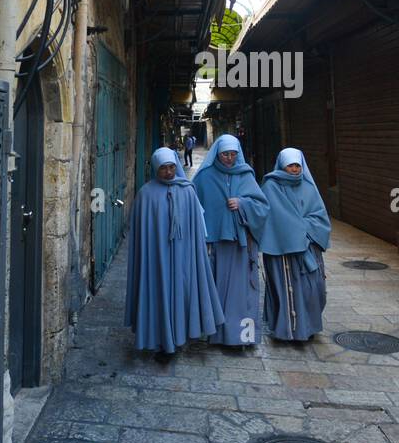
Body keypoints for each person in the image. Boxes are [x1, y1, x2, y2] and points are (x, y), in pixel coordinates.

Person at [124, 147, 224, 362]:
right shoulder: (146, 194)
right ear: (155, 169)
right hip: (156, 259)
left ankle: (181, 335)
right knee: (158, 292)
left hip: (183, 255)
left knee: (183, 291)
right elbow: (140, 232)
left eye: (171, 167)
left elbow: (196, 228)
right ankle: (161, 340)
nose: (168, 172)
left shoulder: (188, 191)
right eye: (163, 168)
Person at [192, 134, 269, 350]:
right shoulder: (204, 177)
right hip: (214, 246)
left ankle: (239, 336)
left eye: (233, 154)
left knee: (240, 293)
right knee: (214, 290)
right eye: (225, 154)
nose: (229, 158)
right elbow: (193, 205)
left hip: (239, 245)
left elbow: (263, 207)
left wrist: (242, 204)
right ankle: (215, 334)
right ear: (217, 153)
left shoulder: (245, 175)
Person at [258, 147, 331, 342]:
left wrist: (304, 228)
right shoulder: (271, 186)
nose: (295, 169)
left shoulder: (308, 187)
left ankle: (309, 326)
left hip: (308, 248)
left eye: (297, 165)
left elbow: (320, 217)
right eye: (290, 165)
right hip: (282, 251)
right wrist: (294, 229)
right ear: (283, 165)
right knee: (286, 290)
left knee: (314, 290)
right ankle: (287, 331)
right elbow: (272, 217)